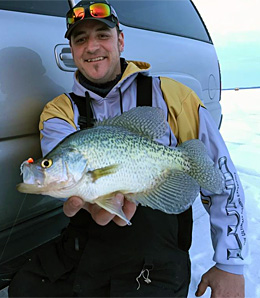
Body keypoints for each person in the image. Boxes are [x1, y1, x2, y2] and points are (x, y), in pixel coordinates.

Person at [9, 0, 248, 297]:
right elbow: (67, 176)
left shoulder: (174, 96)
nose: (92, 46)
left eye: (103, 35)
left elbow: (220, 175)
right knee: (24, 288)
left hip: (154, 259)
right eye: (80, 39)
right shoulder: (59, 111)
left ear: (120, 40)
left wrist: (230, 264)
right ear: (72, 50)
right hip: (87, 246)